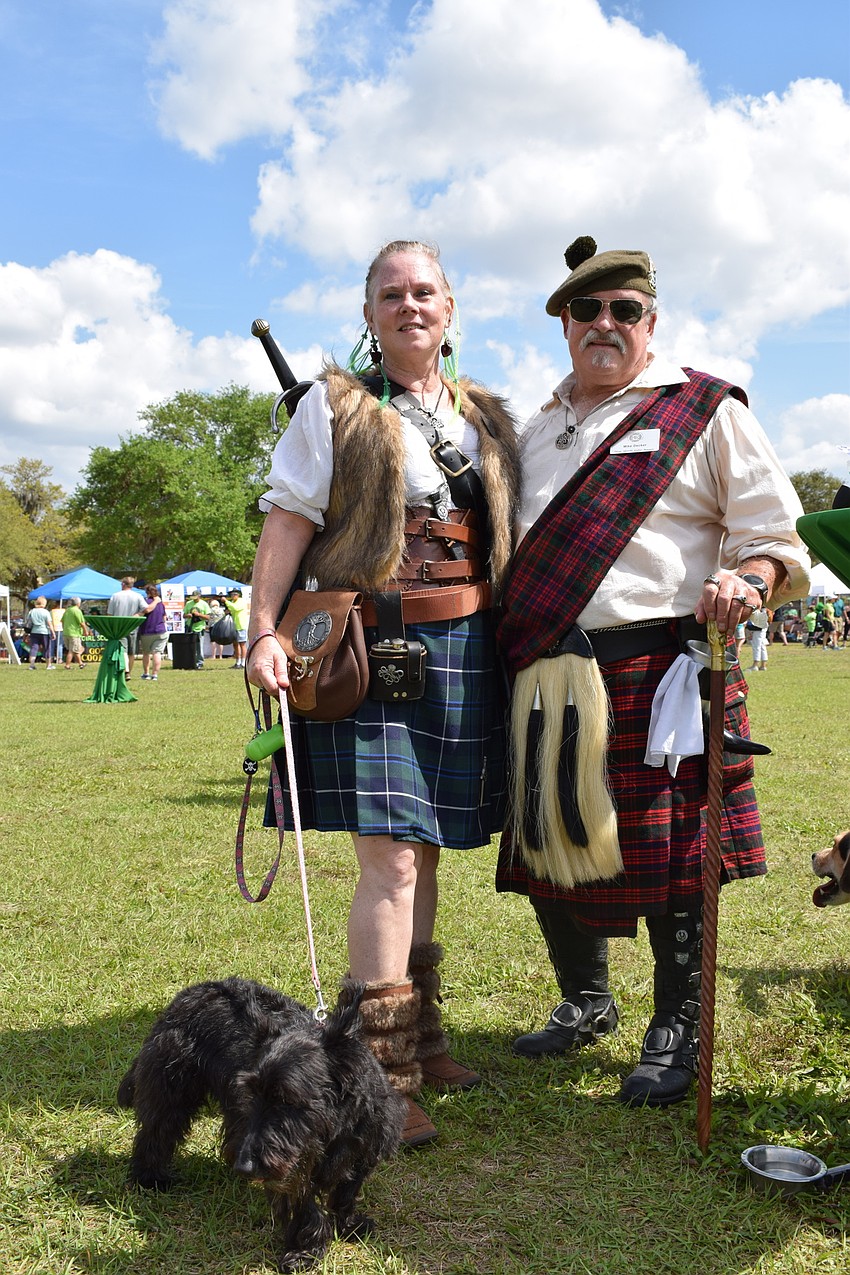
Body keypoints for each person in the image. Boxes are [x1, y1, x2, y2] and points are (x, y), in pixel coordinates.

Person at [496, 235, 810, 1109]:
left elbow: (778, 543)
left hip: (658, 670)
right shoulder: (532, 428)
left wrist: (748, 579)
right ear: (564, 323)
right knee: (546, 841)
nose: (604, 324)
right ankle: (586, 999)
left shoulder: (703, 411)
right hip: (545, 671)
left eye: (623, 310)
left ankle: (678, 1021)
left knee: (672, 856)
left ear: (650, 321)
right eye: (585, 310)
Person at [246, 238, 519, 1146]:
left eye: (426, 291)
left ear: (451, 307)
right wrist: (260, 632)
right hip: (373, 643)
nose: (410, 305)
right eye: (391, 293)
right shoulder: (336, 408)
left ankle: (422, 1037)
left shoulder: (487, 416)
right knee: (392, 861)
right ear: (368, 314)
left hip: (467, 643)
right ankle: (381, 1078)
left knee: (430, 851)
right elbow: (288, 523)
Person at [107, 576, 146, 677]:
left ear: (123, 584)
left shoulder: (115, 596)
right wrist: (138, 614)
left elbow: (110, 614)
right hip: (132, 626)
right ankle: (129, 672)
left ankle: (126, 671)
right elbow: (146, 609)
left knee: (123, 649)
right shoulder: (137, 596)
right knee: (131, 652)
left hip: (118, 626)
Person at [138, 584, 168, 681]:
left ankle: (146, 673)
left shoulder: (145, 602)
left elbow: (143, 612)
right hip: (160, 631)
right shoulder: (161, 604)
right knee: (157, 653)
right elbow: (164, 618)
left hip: (147, 631)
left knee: (146, 653)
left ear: (147, 592)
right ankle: (154, 675)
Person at [182, 590, 210, 668]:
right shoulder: (188, 603)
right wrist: (188, 615)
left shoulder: (204, 604)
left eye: (195, 597)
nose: (194, 599)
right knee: (189, 645)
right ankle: (190, 660)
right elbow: (184, 615)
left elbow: (208, 617)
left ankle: (200, 662)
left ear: (199, 596)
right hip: (190, 627)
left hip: (200, 628)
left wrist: (199, 614)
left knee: (199, 646)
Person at [222, 588, 249, 668]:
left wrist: (226, 601)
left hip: (241, 625)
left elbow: (235, 608)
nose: (233, 596)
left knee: (242, 644)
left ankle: (243, 662)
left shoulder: (241, 601)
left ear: (238, 595)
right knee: (235, 645)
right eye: (232, 595)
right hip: (234, 626)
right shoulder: (232, 602)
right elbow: (231, 609)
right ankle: (237, 662)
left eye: (234, 594)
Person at [26, 596, 55, 669]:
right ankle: (48, 665)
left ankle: (32, 665)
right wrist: (53, 632)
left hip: (34, 632)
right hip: (45, 632)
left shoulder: (32, 611)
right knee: (47, 648)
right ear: (44, 603)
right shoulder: (46, 612)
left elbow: (28, 622)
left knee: (34, 648)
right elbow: (49, 623)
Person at [62, 597, 90, 668]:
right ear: (78, 603)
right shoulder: (77, 611)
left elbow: (62, 621)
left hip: (66, 632)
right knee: (72, 650)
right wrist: (85, 631)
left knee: (75, 650)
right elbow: (82, 622)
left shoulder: (67, 610)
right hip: (74, 633)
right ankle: (67, 665)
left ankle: (81, 663)